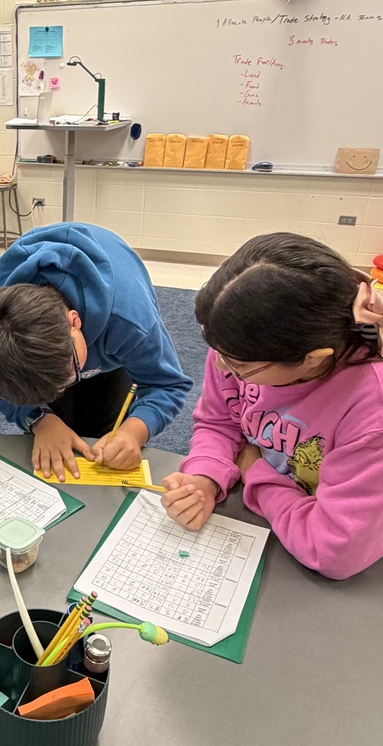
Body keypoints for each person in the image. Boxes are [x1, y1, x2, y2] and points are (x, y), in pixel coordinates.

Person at [161, 232, 383, 580]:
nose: (221, 368)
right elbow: (220, 422)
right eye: (219, 352)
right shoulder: (239, 347)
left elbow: (334, 550)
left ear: (312, 360)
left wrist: (255, 472)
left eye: (240, 366)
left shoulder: (371, 409)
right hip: (289, 513)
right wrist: (204, 477)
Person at [0, 222, 192, 481]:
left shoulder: (130, 321)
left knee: (106, 430)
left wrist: (134, 431)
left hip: (111, 323)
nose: (61, 392)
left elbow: (168, 384)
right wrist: (39, 418)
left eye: (69, 375)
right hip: (59, 349)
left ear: (74, 321)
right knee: (52, 438)